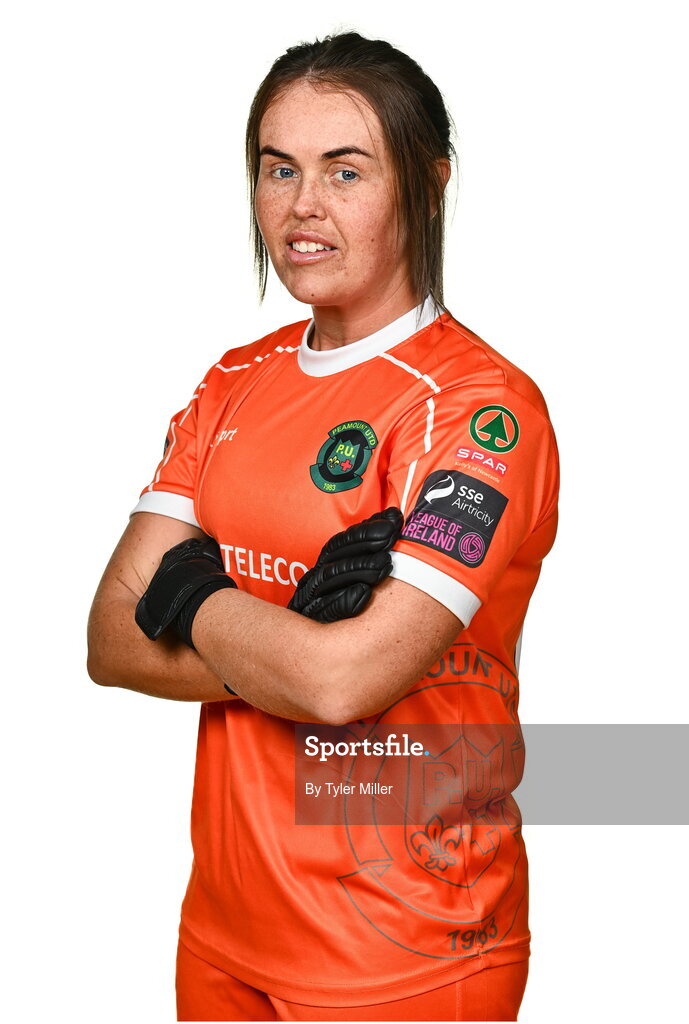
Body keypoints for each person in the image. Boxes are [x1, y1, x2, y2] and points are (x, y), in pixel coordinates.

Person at [87, 31, 559, 1022]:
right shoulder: (233, 381)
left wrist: (193, 595)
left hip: (406, 945)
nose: (301, 206)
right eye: (278, 168)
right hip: (224, 931)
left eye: (345, 170)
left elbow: (344, 683)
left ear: (426, 185)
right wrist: (290, 639)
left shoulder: (478, 409)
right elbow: (107, 638)